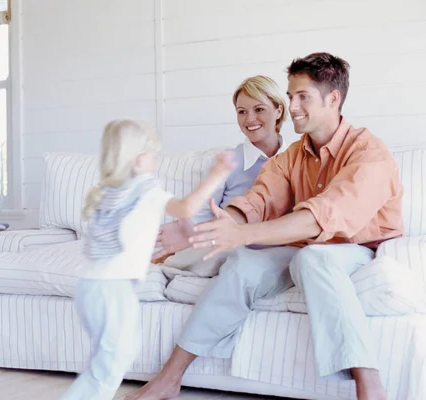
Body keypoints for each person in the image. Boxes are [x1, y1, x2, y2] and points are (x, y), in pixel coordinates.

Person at [126, 53, 402, 400]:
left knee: (313, 259)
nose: (294, 106)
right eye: (291, 96)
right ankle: (169, 378)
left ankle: (370, 386)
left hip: (358, 248)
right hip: (304, 245)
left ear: (333, 99)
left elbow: (325, 214)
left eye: (303, 97)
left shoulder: (369, 152)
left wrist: (244, 233)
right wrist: (224, 227)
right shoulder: (291, 157)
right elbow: (259, 200)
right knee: (242, 263)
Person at [59, 119, 237, 400]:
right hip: (115, 291)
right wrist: (217, 173)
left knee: (110, 358)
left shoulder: (108, 192)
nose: (158, 159)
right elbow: (187, 207)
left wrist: (188, 231)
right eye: (155, 154)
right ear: (140, 159)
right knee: (111, 365)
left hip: (90, 289)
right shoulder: (147, 189)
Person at [152, 75, 288, 263]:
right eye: (242, 112)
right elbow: (200, 214)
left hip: (280, 253)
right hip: (231, 251)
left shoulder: (296, 158)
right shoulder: (229, 161)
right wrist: (186, 234)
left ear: (278, 110)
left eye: (259, 109)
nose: (250, 119)